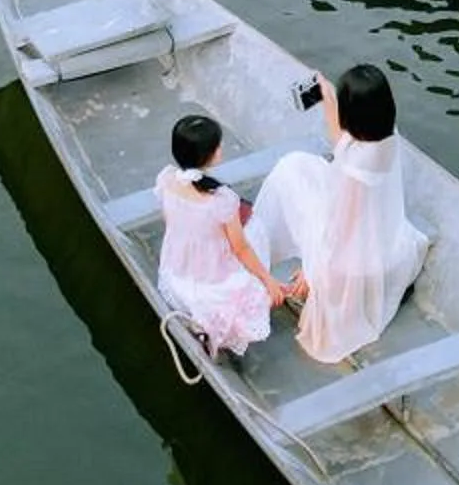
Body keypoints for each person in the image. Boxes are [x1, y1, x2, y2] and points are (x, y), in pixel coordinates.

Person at [245, 62, 427, 364]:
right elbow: (339, 139)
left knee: (290, 169)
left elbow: (341, 232)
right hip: (387, 239)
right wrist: (328, 95)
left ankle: (257, 255)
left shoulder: (354, 171)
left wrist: (312, 270)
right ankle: (263, 250)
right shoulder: (386, 135)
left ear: (352, 116)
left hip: (352, 255)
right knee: (301, 166)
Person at [155, 112, 297, 358]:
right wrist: (267, 280)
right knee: (254, 229)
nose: (222, 147)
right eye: (218, 145)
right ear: (208, 155)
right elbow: (240, 249)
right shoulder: (222, 200)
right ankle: (217, 326)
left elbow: (170, 223)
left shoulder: (166, 180)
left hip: (179, 270)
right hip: (213, 278)